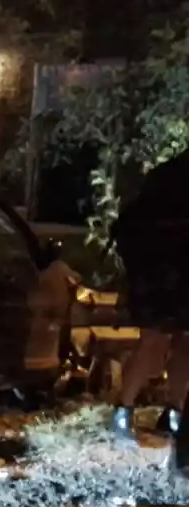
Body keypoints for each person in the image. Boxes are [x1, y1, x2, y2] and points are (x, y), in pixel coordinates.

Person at [108, 152, 189, 476]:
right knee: (156, 339)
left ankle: (173, 411)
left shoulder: (166, 173)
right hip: (163, 271)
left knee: (178, 342)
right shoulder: (171, 177)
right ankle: (124, 410)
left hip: (170, 271)